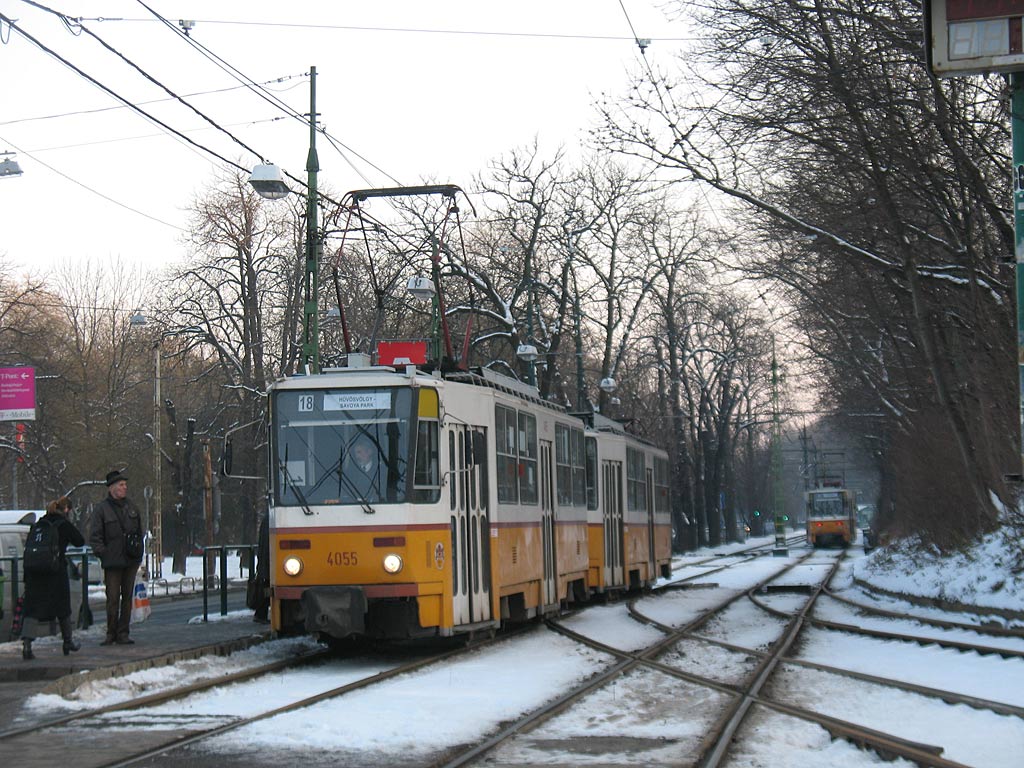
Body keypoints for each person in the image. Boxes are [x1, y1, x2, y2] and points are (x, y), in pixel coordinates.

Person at [21, 496, 85, 660]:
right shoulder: (62, 524)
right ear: (65, 510)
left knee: (32, 609)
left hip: (35, 573)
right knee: (62, 607)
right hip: (55, 572)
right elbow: (79, 541)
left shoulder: (38, 525)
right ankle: (67, 642)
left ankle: (27, 645)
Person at [89, 470, 144, 645]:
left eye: (125, 485)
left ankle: (123, 632)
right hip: (112, 562)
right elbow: (95, 536)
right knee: (112, 598)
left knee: (127, 598)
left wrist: (138, 553)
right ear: (112, 488)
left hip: (130, 560)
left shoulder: (132, 507)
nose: (124, 487)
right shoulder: (102, 510)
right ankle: (111, 632)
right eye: (121, 485)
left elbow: (139, 532)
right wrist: (103, 553)